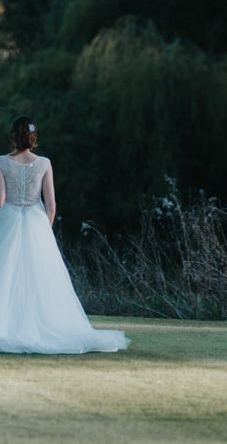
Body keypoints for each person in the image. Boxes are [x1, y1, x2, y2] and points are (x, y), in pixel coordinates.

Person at [0, 115, 130, 354]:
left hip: (9, 220)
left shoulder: (1, 163)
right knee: (42, 278)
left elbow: (0, 200)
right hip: (36, 223)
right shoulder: (44, 163)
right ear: (33, 138)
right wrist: (43, 232)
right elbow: (51, 205)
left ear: (12, 136)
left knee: (6, 273)